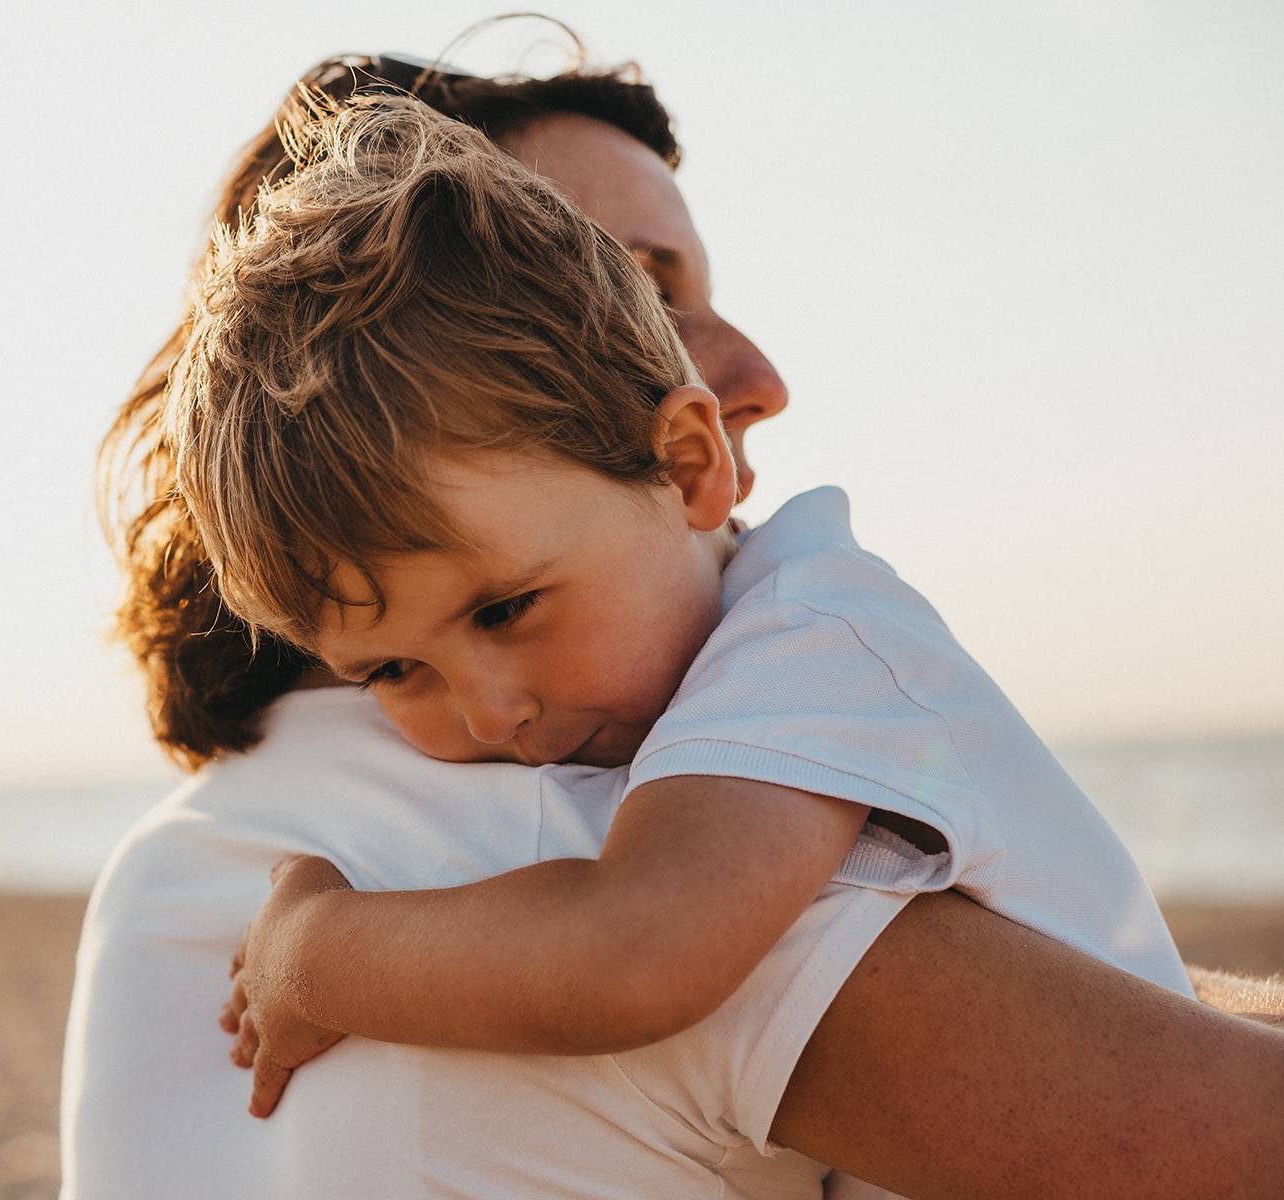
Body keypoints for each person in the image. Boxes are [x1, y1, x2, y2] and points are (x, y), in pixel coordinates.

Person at [63, 52, 1284, 1200]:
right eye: (634, 285)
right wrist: (317, 951)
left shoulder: (185, 859)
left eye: (507, 610)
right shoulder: (562, 827)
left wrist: (318, 951)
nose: (759, 371)